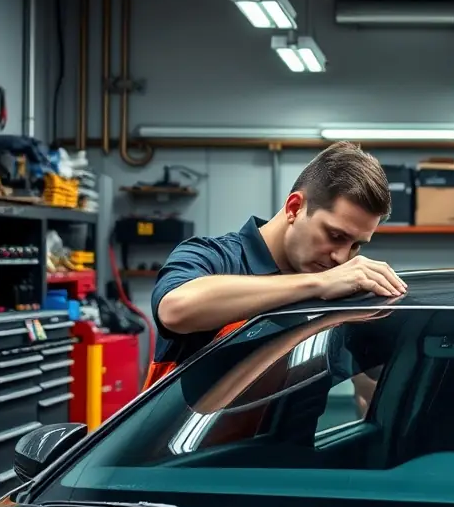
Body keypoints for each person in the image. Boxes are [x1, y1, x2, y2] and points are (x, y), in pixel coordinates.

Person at [145, 141, 408, 389]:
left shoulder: (343, 290)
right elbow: (175, 310)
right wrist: (318, 284)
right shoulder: (214, 257)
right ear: (294, 208)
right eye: (336, 236)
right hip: (184, 438)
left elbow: (374, 382)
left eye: (356, 245)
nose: (341, 257)